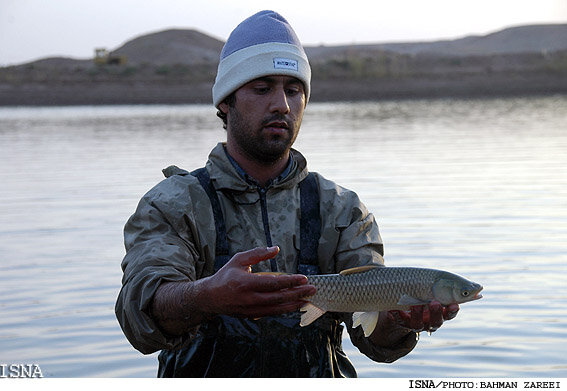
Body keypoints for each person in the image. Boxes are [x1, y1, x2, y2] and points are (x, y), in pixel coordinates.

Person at [115, 10, 460, 377]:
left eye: (293, 90)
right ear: (225, 102)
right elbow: (140, 317)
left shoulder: (341, 209)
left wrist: (402, 321)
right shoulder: (173, 203)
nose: (281, 104)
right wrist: (207, 296)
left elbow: (373, 337)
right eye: (262, 88)